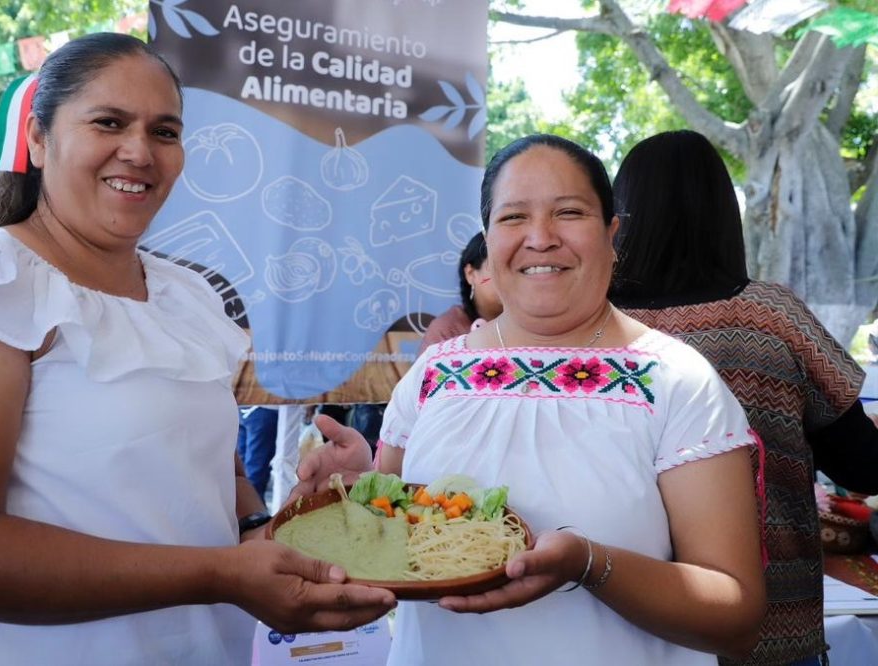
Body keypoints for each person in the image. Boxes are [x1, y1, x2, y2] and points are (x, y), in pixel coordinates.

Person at [0, 33, 393, 666]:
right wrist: (219, 574)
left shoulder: (185, 295)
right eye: (108, 122)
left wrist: (279, 526)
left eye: (165, 132)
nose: (139, 151)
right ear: (38, 139)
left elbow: (219, 476)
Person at [297, 134, 766, 665]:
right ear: (487, 240)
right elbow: (396, 535)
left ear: (612, 234)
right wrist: (356, 491)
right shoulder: (435, 371)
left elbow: (736, 616)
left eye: (569, 212)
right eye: (514, 217)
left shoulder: (676, 379)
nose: (540, 238)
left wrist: (590, 564)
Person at [610, 129, 878, 666]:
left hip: (618, 622)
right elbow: (865, 466)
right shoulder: (771, 318)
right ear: (722, 215)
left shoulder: (591, 328)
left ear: (621, 214)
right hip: (769, 629)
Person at [418, 230, 503, 349]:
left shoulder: (532, 325)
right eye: (498, 267)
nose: (509, 278)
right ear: (470, 273)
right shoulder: (446, 331)